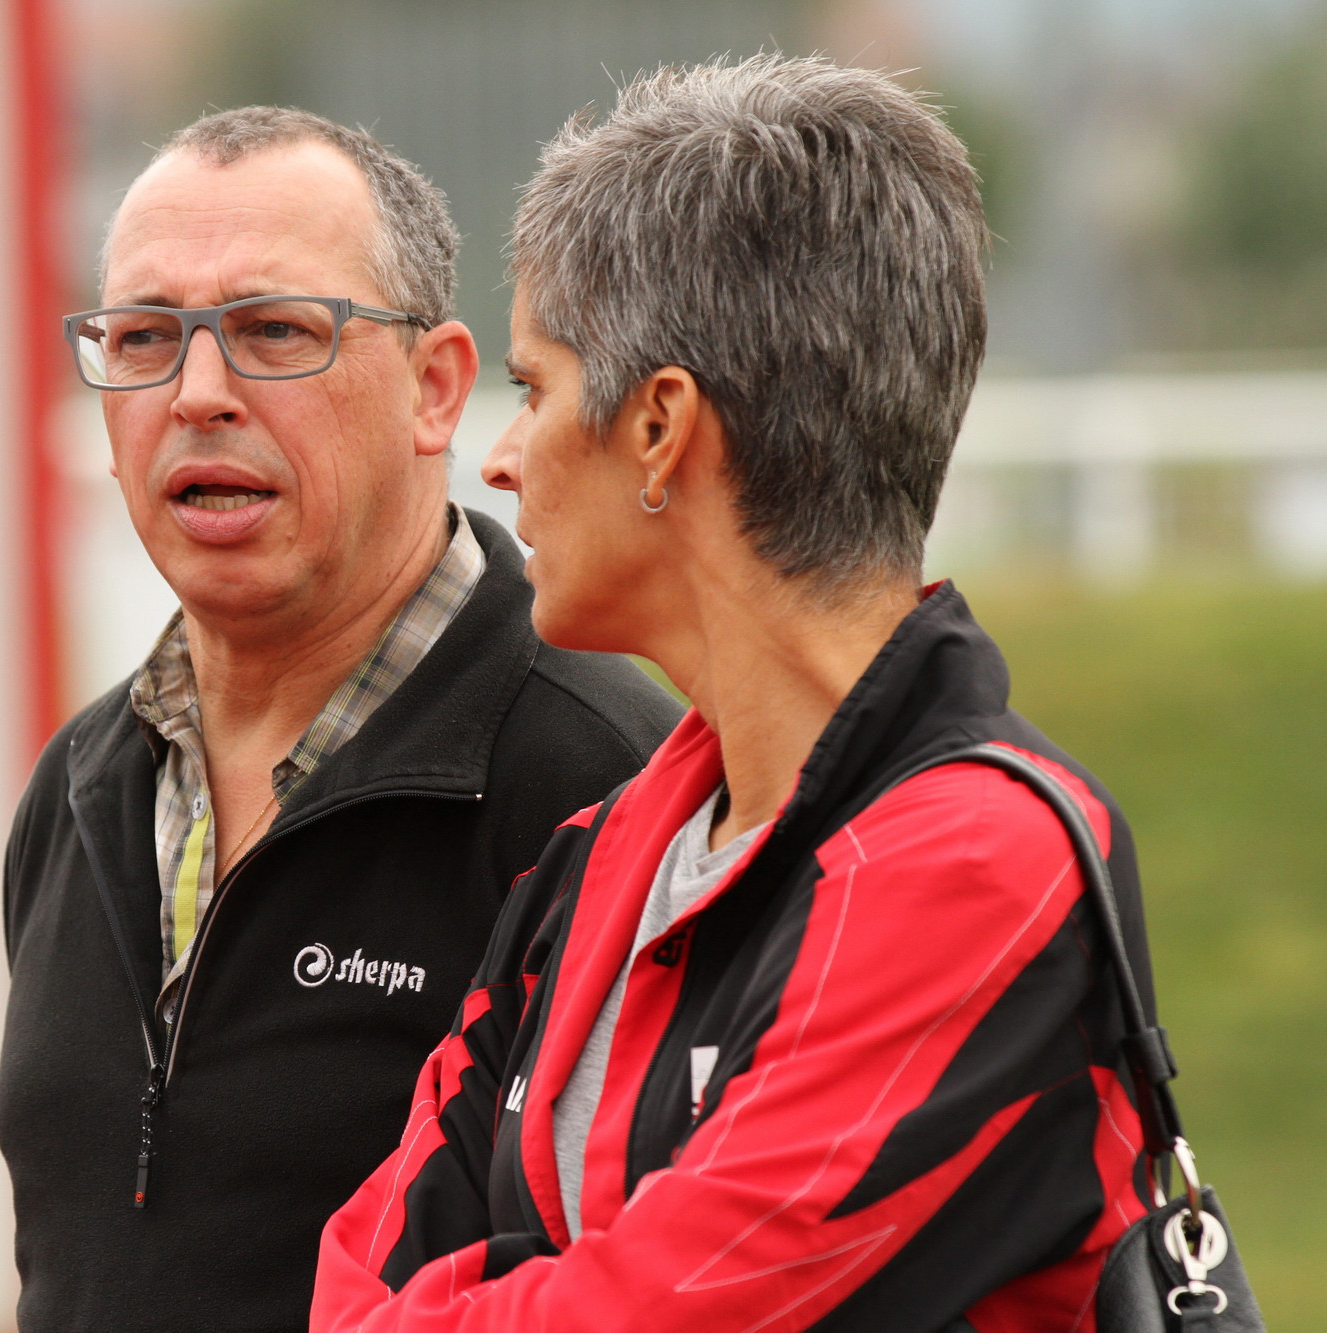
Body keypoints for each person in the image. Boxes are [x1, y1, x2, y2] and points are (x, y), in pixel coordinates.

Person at [314, 56, 1159, 1332]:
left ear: (659, 426)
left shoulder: (982, 865)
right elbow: (351, 1282)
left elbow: (669, 1313)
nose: (499, 457)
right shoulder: (593, 863)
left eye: (533, 389)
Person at [0, 108, 682, 1332]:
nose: (197, 394)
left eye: (272, 331)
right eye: (143, 337)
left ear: (434, 388)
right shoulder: (80, 788)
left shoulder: (603, 786)